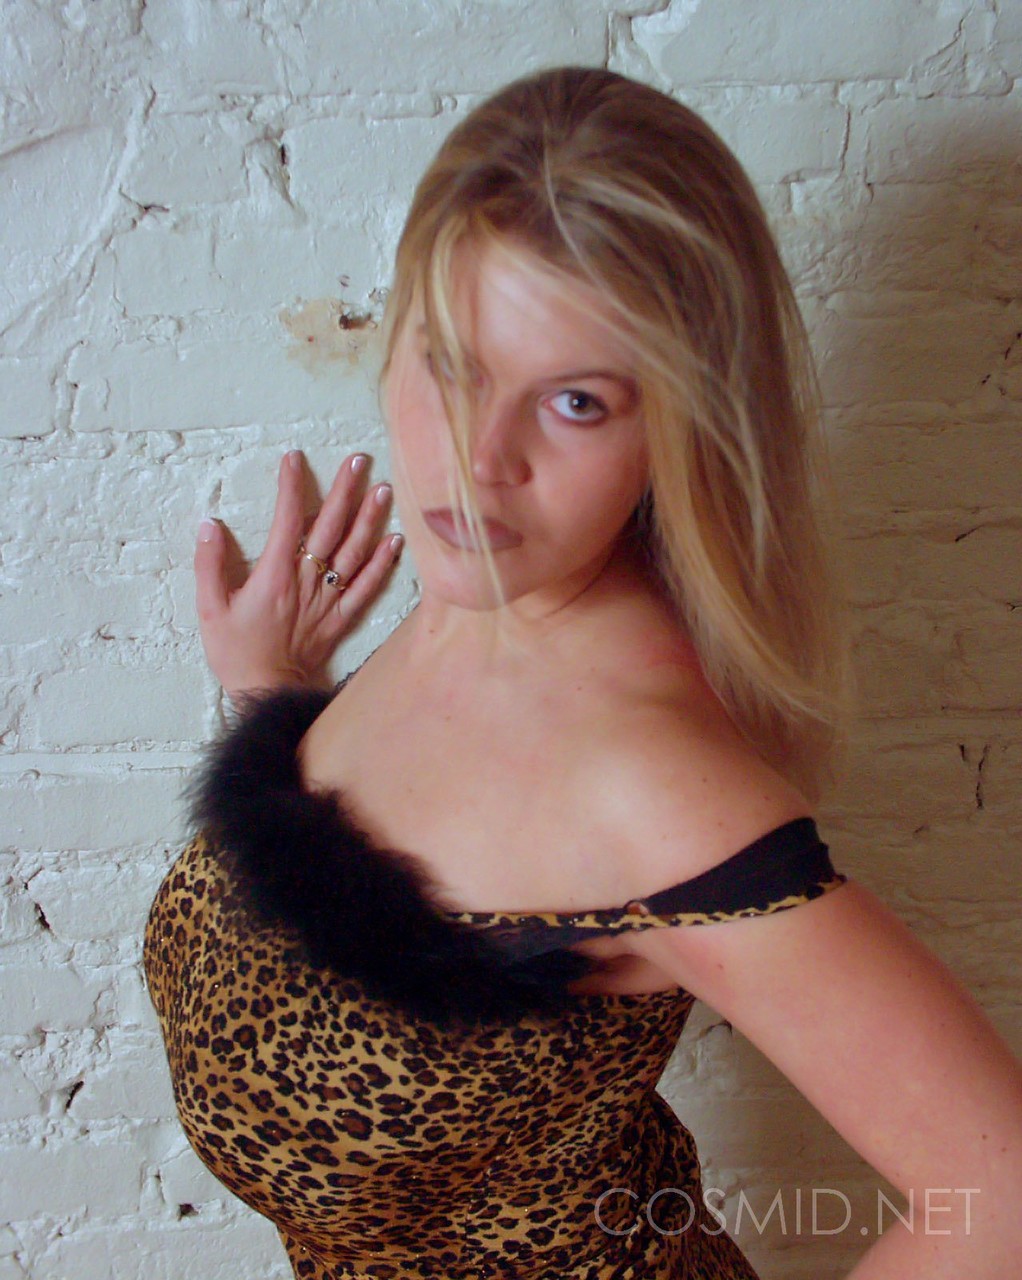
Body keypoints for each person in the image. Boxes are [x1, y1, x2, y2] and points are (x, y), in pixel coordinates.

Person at [144, 66, 1022, 1279]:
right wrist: (275, 700)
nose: (478, 458)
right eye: (450, 365)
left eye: (572, 401)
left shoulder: (651, 786)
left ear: (682, 424)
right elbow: (366, 919)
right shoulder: (482, 602)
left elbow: (998, 1193)